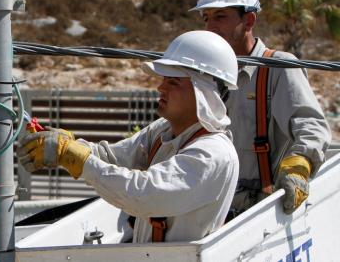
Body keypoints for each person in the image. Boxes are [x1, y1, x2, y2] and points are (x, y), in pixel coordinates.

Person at [18, 30, 239, 243]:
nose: (160, 87)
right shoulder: (163, 131)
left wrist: (74, 156)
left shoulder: (213, 154)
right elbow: (112, 157)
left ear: (204, 94)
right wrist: (70, 146)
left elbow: (142, 194)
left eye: (173, 82)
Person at [190, 0, 331, 215]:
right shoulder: (204, 75)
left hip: (263, 214)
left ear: (249, 20)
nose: (210, 27)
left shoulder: (277, 68)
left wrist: (298, 166)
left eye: (220, 16)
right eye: (206, 18)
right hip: (212, 209)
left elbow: (311, 126)